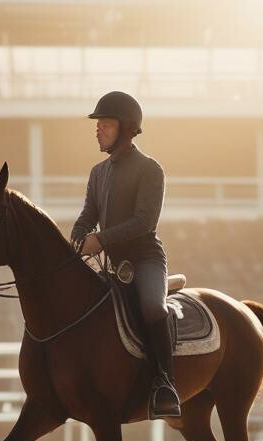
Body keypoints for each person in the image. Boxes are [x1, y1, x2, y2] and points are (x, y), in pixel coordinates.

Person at [70, 90, 180, 419]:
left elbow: (145, 222)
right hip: (111, 265)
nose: (98, 129)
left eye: (105, 124)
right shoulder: (97, 173)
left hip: (145, 260)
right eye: (98, 124)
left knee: (151, 307)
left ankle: (165, 383)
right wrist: (76, 237)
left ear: (127, 129)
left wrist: (100, 240)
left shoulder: (150, 169)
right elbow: (87, 215)